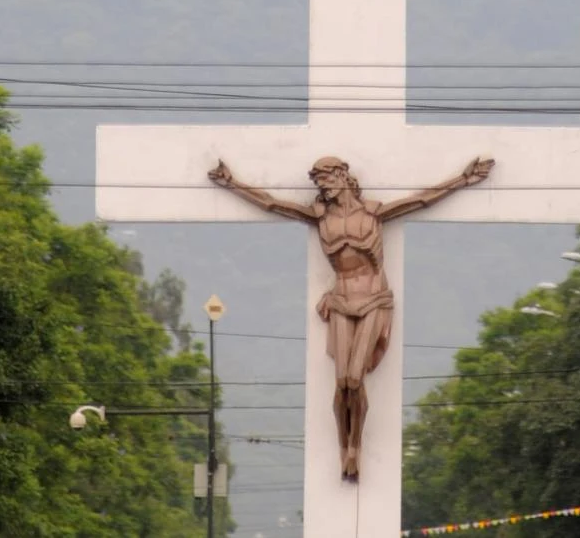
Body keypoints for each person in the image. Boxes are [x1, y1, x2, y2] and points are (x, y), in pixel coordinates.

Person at [208, 151, 494, 480]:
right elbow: (272, 204)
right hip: (341, 300)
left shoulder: (373, 212)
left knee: (355, 378)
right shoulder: (320, 217)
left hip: (373, 299)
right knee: (342, 380)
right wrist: (232, 184)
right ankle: (343, 449)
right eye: (318, 182)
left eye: (326, 179)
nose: (323, 186)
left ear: (343, 176)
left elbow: (422, 200)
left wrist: (463, 180)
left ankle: (355, 448)